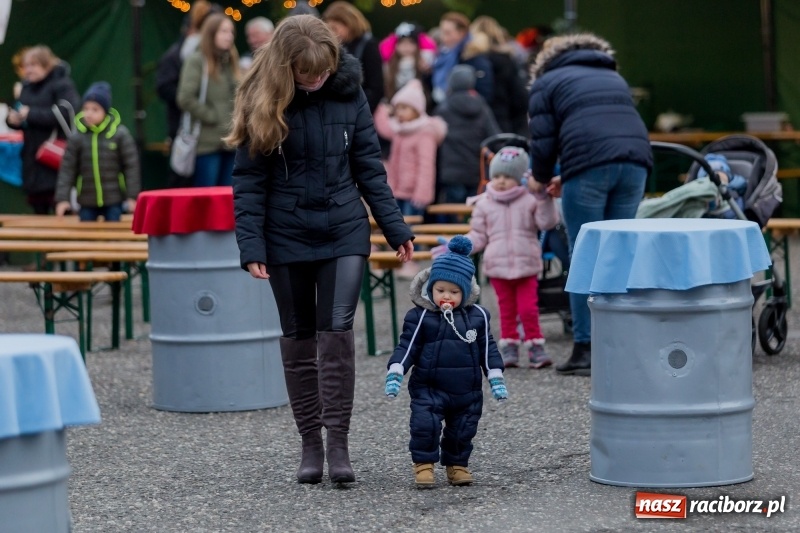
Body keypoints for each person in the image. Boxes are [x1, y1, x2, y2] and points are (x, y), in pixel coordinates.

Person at [227, 15, 414, 485]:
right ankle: (310, 443)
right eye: (306, 75)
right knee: (298, 338)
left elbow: (369, 167)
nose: (316, 81)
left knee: (337, 333)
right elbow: (248, 181)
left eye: (322, 72)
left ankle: (339, 445)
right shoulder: (260, 99)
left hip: (343, 229)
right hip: (284, 232)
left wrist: (395, 228)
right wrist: (251, 244)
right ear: (285, 69)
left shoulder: (350, 92)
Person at [528, 33, 653, 376]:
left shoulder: (547, 80)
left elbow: (544, 138)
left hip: (588, 169)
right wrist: (568, 175)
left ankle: (586, 349)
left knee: (586, 255)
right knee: (620, 255)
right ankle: (623, 346)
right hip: (635, 163)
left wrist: (541, 176)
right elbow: (605, 131)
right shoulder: (613, 76)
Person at [384, 235, 507, 487]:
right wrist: (397, 369)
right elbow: (407, 345)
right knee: (424, 425)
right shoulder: (421, 317)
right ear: (430, 288)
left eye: (454, 291)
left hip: (467, 389)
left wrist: (495, 375)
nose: (446, 296)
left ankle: (457, 464)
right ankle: (423, 464)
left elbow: (488, 348)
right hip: (428, 387)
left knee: (464, 427)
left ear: (466, 291)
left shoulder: (478, 317)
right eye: (440, 290)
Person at [462, 146, 559, 368]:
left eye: (507, 176)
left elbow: (547, 222)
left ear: (521, 177)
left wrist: (545, 199)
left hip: (526, 266)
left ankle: (535, 347)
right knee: (506, 310)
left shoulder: (530, 199)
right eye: (496, 176)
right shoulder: (484, 203)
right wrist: (460, 246)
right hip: (498, 267)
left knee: (528, 309)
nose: (501, 181)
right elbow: (478, 234)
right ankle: (510, 348)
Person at [374, 79, 447, 279]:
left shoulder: (424, 131)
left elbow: (427, 164)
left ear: (417, 109)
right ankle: (395, 260)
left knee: (409, 229)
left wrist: (423, 192)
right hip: (398, 188)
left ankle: (410, 262)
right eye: (397, 108)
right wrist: (379, 106)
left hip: (414, 191)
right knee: (395, 225)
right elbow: (384, 127)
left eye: (405, 108)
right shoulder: (400, 130)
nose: (399, 113)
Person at [5, 45, 80, 214]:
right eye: (26, 65)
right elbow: (20, 113)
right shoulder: (26, 87)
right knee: (38, 209)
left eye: (34, 65)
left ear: (46, 65)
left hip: (56, 160)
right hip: (32, 160)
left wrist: (31, 114)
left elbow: (67, 113)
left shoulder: (62, 84)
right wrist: (13, 120)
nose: (28, 70)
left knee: (62, 210)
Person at [53, 82, 139, 221]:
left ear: (105, 111)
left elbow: (132, 167)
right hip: (87, 201)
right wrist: (63, 199)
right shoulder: (76, 137)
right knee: (86, 238)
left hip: (114, 201)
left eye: (95, 109)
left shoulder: (120, 134)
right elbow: (67, 169)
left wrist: (132, 197)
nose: (89, 113)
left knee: (114, 238)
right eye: (86, 108)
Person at [156, 0, 219, 187]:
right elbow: (166, 88)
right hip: (185, 129)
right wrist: (200, 107)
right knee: (183, 181)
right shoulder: (178, 56)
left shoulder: (218, 56)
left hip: (211, 133)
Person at [177, 13, 240, 187]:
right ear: (211, 34)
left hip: (231, 141)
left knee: (228, 199)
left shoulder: (231, 61)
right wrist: (212, 116)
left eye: (231, 31)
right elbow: (185, 98)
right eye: (224, 31)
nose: (229, 36)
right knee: (207, 199)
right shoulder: (197, 61)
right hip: (206, 144)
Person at [434, 64, 500, 206]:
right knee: (474, 212)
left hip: (451, 172)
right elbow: (494, 136)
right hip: (475, 170)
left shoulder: (443, 109)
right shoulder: (482, 106)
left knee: (453, 214)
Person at [469, 16, 529, 136]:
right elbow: (520, 97)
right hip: (505, 121)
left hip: (474, 124)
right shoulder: (507, 60)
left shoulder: (470, 60)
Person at [322, 1, 384, 113]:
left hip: (359, 109)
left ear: (349, 24)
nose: (332, 33)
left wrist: (359, 112)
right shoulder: (333, 46)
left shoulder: (368, 45)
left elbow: (376, 87)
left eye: (335, 28)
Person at [430, 12, 493, 106]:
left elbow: (484, 93)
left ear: (462, 33)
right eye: (442, 32)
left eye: (448, 33)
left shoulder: (474, 58)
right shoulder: (441, 56)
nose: (444, 38)